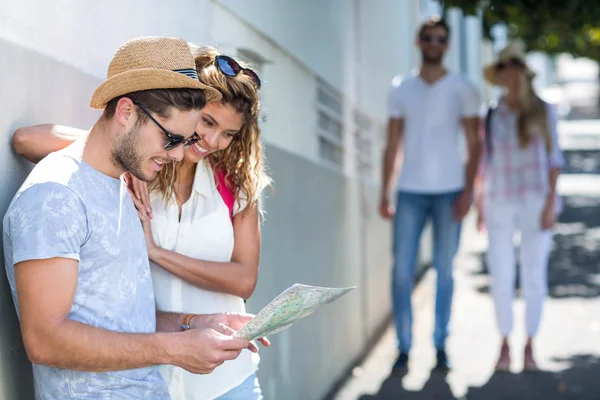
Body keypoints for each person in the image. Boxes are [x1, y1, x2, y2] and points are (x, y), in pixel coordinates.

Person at [4, 36, 268, 399]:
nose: (179, 155)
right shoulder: (55, 197)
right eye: (173, 138)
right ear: (126, 113)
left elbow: (124, 320)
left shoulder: (122, 187)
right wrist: (175, 348)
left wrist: (196, 322)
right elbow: (45, 342)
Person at [379, 16, 481, 373]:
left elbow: (475, 143)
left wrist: (469, 191)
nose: (434, 43)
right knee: (401, 272)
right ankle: (403, 346)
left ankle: (441, 344)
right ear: (419, 42)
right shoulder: (401, 87)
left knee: (445, 272)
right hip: (409, 192)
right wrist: (385, 190)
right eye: (428, 37)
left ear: (447, 44)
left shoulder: (463, 88)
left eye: (440, 38)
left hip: (449, 192)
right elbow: (392, 143)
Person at [476, 42, 564, 372]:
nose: (509, 70)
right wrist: (479, 203)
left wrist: (550, 204)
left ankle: (529, 343)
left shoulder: (544, 111)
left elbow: (555, 160)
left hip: (535, 198)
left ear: (523, 70)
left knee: (533, 273)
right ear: (498, 74)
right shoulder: (491, 114)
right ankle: (503, 342)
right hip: (499, 198)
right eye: (503, 66)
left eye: (514, 64)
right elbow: (485, 163)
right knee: (500, 272)